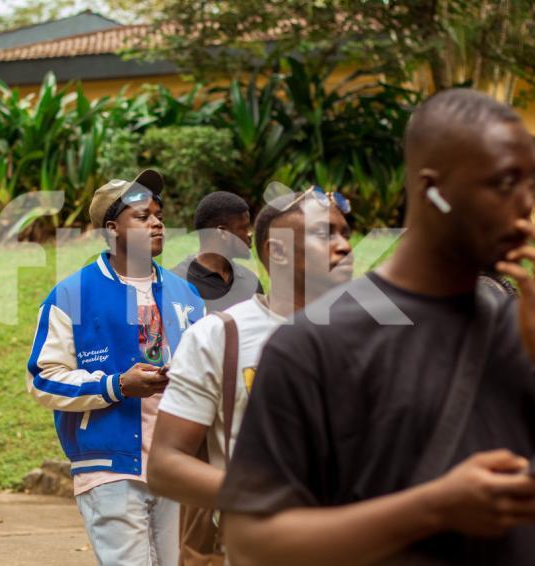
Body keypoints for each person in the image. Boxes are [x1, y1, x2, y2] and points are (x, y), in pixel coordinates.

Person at [219, 89, 535, 565]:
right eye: (505, 184)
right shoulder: (313, 345)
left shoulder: (518, 326)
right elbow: (252, 541)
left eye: (532, 186)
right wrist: (433, 508)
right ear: (434, 191)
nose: (525, 207)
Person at [26, 169, 206, 565]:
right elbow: (43, 379)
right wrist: (115, 385)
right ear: (112, 229)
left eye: (158, 214)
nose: (156, 222)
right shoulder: (73, 293)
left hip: (177, 462)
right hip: (110, 467)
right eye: (142, 217)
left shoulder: (186, 294)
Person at [149, 187, 353, 511]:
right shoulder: (217, 336)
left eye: (345, 233)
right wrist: (269, 499)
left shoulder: (373, 337)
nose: (344, 246)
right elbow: (165, 465)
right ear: (279, 252)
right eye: (324, 234)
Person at [172, 191, 263, 312]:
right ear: (222, 232)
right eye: (244, 227)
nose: (250, 233)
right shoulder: (174, 284)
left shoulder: (251, 282)